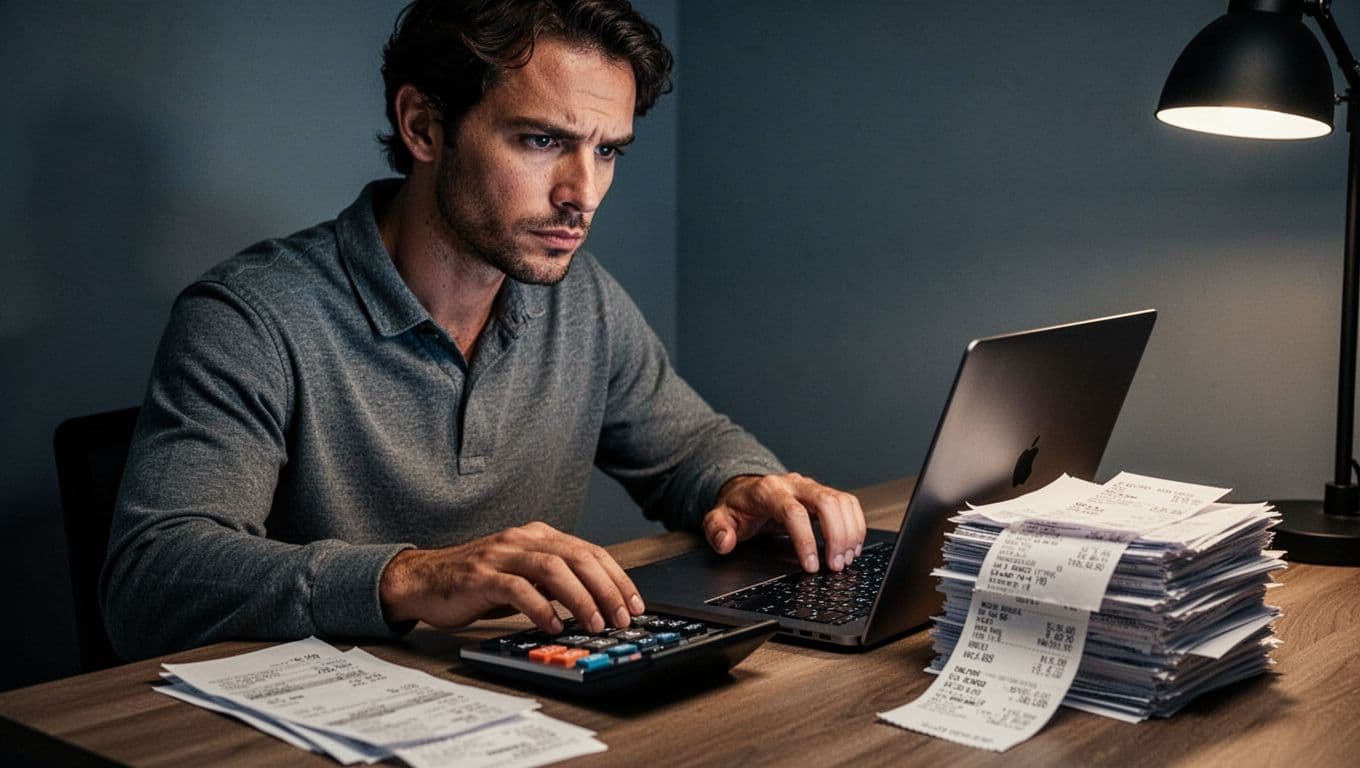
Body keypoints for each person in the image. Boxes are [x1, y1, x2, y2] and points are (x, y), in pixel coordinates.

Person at [101, 0, 866, 661]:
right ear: (424, 125)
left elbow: (689, 448)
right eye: (541, 141)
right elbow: (151, 579)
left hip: (519, 710)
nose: (583, 193)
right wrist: (412, 576)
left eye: (607, 151)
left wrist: (747, 487)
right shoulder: (253, 316)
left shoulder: (579, 299)